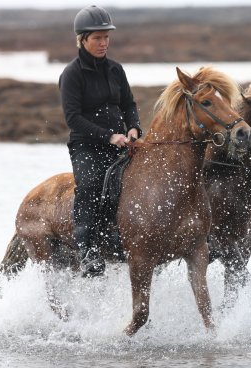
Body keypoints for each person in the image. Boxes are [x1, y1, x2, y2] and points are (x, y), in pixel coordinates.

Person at [59, 5, 142, 277]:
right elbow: (73, 119)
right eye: (97, 38)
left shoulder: (116, 70)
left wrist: (133, 129)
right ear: (82, 39)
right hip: (87, 145)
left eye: (106, 37)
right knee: (91, 184)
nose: (103, 42)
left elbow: (129, 104)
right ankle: (87, 251)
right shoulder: (72, 74)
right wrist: (108, 136)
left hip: (121, 142)